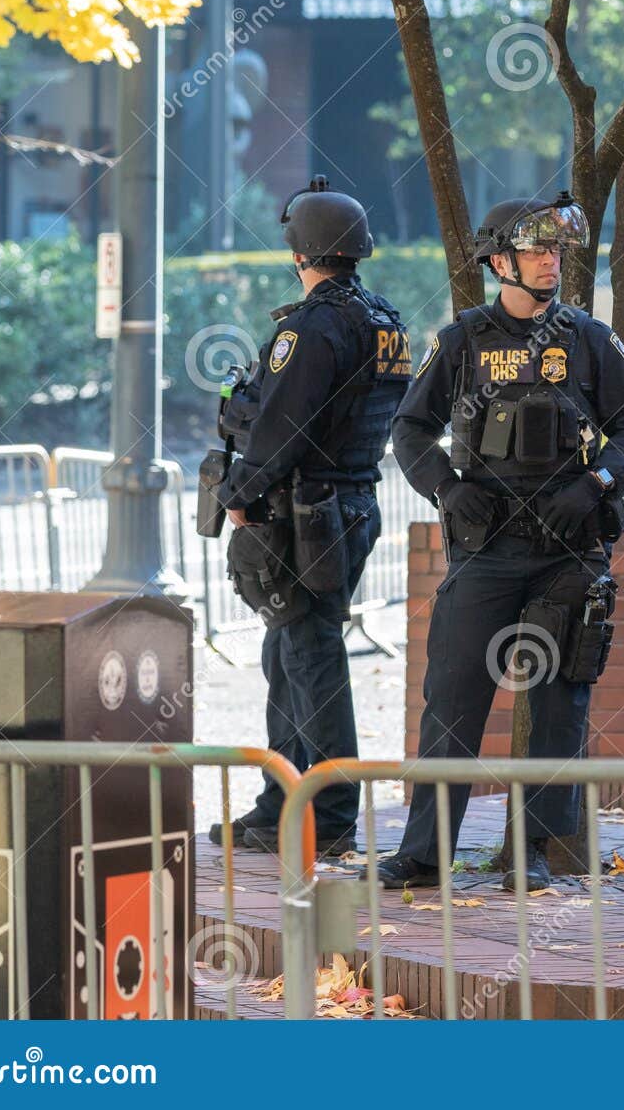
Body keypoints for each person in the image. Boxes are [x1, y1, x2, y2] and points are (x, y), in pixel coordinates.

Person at [370, 191, 624, 892]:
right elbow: (409, 429)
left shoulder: (588, 339)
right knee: (452, 696)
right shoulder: (463, 339)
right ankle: (424, 852)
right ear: (498, 260)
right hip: (487, 549)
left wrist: (594, 486)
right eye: (536, 250)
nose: (550, 261)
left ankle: (532, 851)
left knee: (559, 704)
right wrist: (444, 484)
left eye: (556, 250)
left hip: (567, 552)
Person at [208, 176, 414, 858]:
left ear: (301, 251)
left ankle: (324, 814)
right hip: (348, 506)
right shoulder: (384, 320)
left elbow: (281, 426)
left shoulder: (310, 327)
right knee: (287, 651)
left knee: (311, 657)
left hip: (307, 511)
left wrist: (238, 489)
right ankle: (281, 800)